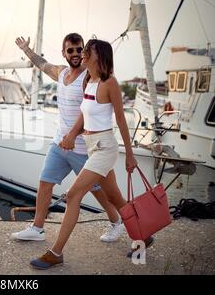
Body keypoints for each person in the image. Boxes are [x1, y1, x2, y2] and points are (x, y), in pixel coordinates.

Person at [30, 39, 154, 270]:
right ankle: (144, 237)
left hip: (105, 148)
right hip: (90, 146)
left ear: (99, 56)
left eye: (87, 51)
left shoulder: (110, 83)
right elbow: (83, 115)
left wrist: (129, 155)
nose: (83, 53)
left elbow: (120, 120)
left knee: (73, 194)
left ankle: (56, 252)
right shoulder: (89, 80)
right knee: (117, 200)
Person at [11, 33, 124, 244]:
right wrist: (26, 50)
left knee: (99, 191)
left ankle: (116, 221)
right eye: (70, 50)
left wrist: (73, 136)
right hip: (59, 144)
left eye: (79, 49)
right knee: (45, 182)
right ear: (64, 52)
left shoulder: (88, 78)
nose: (75, 54)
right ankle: (37, 228)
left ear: (84, 52)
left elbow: (89, 113)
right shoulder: (61, 73)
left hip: (84, 148)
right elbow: (42, 64)